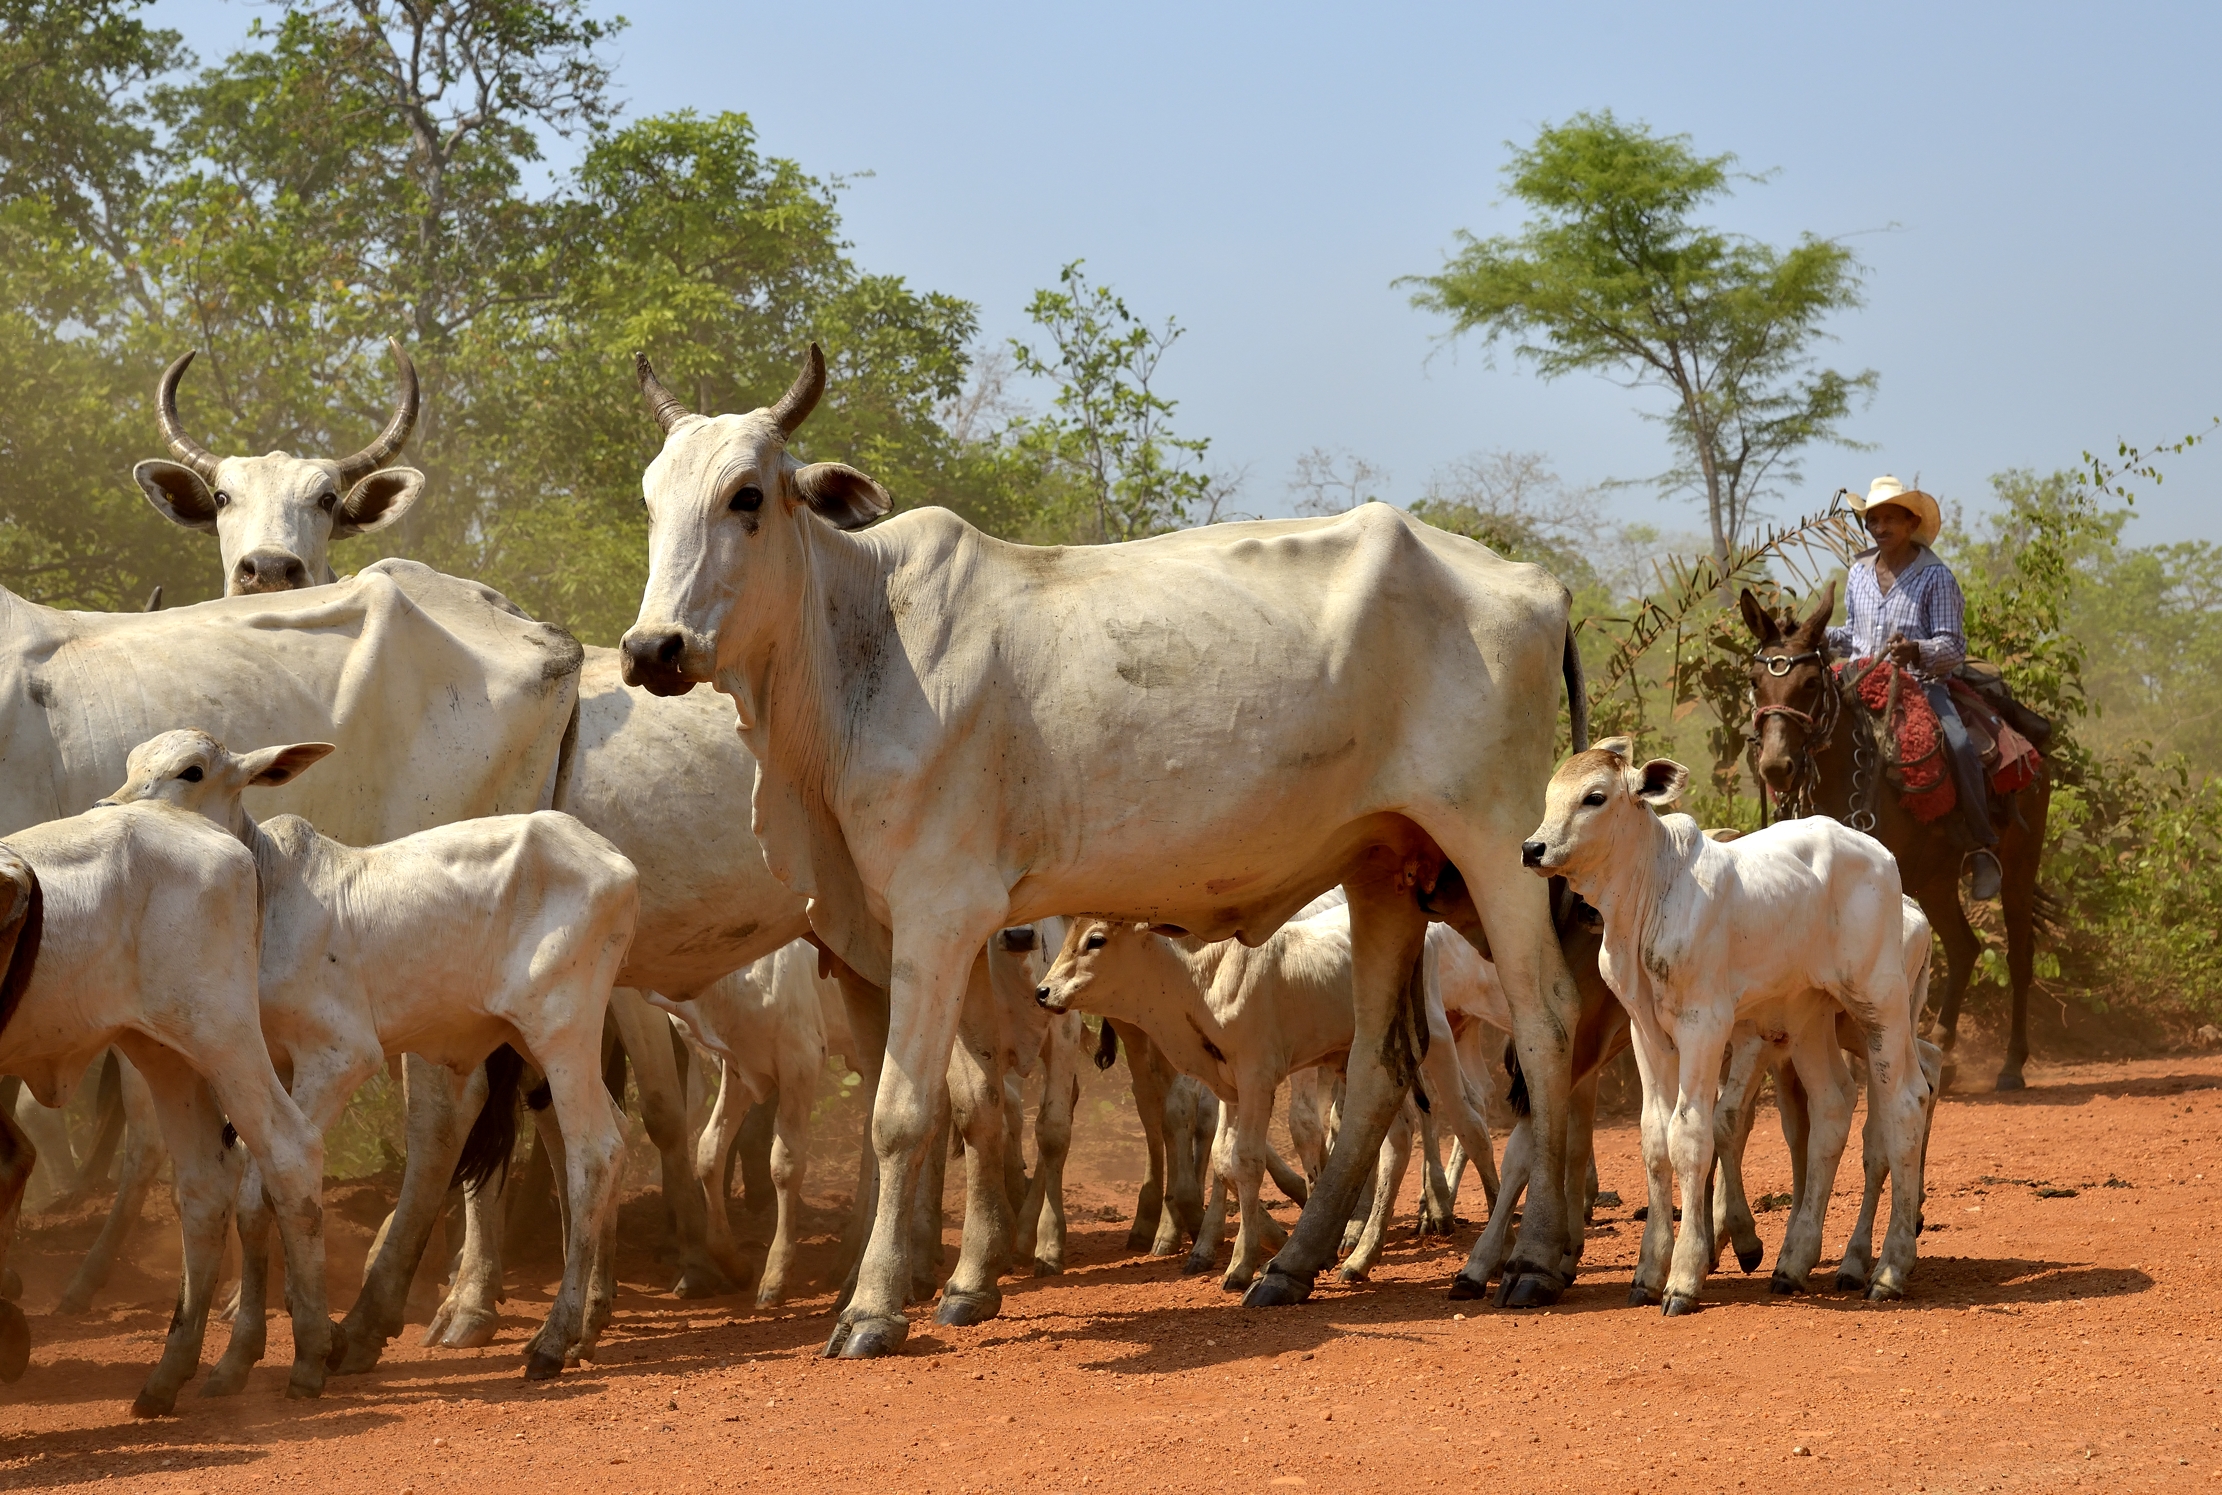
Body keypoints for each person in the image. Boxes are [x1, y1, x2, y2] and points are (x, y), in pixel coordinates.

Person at [1826, 475, 2003, 901]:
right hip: (1858, 682)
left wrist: (1918, 651)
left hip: (1921, 685)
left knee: (1959, 745)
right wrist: (1813, 635)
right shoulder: (1858, 572)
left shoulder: (1936, 576)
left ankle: (1980, 845)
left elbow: (1953, 645)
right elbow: (1853, 635)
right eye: (1873, 519)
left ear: (1910, 523)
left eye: (1889, 519)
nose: (1880, 528)